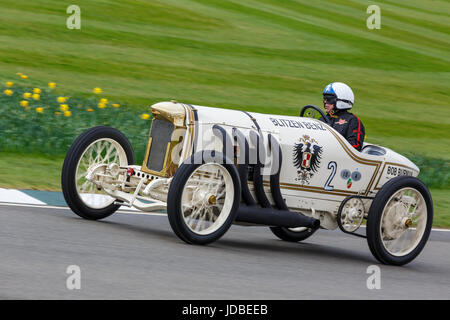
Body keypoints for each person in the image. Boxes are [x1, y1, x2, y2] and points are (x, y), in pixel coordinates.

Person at [319, 82, 365, 151]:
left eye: (329, 99)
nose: (325, 102)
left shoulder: (352, 120)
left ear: (341, 101)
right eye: (324, 99)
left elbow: (355, 146)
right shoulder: (322, 119)